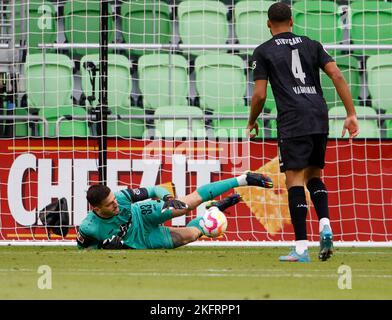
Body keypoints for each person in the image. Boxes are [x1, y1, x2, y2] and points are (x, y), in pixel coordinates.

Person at [247, 3, 359, 262]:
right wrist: (350, 114)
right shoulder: (312, 44)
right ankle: (325, 224)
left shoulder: (263, 51)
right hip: (319, 115)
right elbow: (337, 75)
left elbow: (260, 94)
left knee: (294, 180)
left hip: (293, 119)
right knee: (314, 175)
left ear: (268, 24)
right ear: (292, 21)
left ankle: (300, 248)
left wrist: (252, 121)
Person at [76, 172, 273, 250]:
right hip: (141, 241)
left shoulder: (122, 198)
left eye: (113, 200)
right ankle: (214, 210)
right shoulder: (88, 228)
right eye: (110, 205)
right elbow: (83, 252)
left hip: (142, 215)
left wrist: (168, 198)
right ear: (96, 208)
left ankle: (243, 179)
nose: (115, 204)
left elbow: (153, 190)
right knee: (193, 234)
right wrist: (103, 247)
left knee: (187, 203)